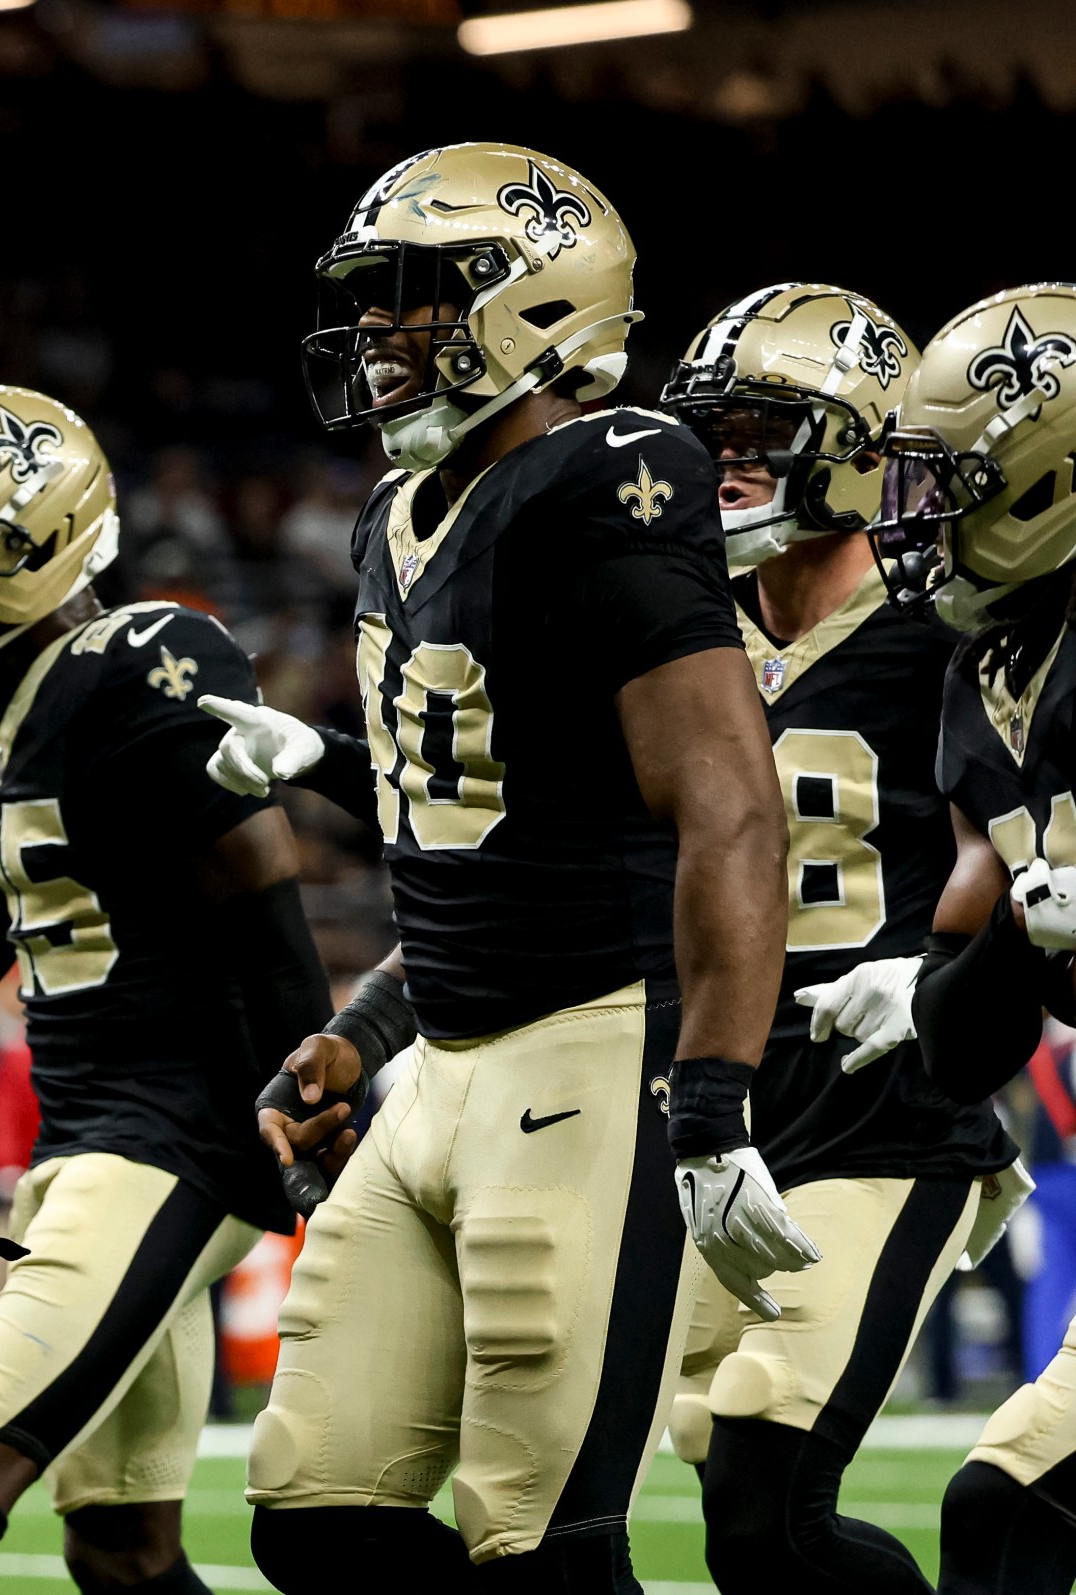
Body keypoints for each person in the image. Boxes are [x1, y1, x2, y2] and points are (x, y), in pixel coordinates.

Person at [202, 142, 809, 1591]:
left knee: (542, 1543)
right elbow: (474, 843)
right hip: (448, 1069)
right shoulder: (390, 516)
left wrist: (713, 1095)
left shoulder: (613, 471)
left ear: (531, 305)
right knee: (318, 1511)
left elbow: (729, 806)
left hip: (600, 1053)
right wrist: (361, 1033)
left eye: (413, 300)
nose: (379, 336)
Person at [0, 384, 334, 1595]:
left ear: (39, 543)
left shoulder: (148, 659)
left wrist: (314, 1125)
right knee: (123, 1552)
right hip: (88, 1149)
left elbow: (268, 907)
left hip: (171, 1146)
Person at [657, 282, 1021, 1594]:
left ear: (865, 441)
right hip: (727, 1113)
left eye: (766, 430)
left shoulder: (945, 627)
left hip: (888, 1107)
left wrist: (933, 964)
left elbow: (1011, 844)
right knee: (724, 1489)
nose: (729, 462)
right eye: (716, 432)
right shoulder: (682, 629)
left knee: (768, 1495)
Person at [853, 282, 1076, 1595]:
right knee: (1002, 1513)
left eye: (954, 479)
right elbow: (966, 1029)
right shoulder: (982, 672)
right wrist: (982, 955)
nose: (916, 512)